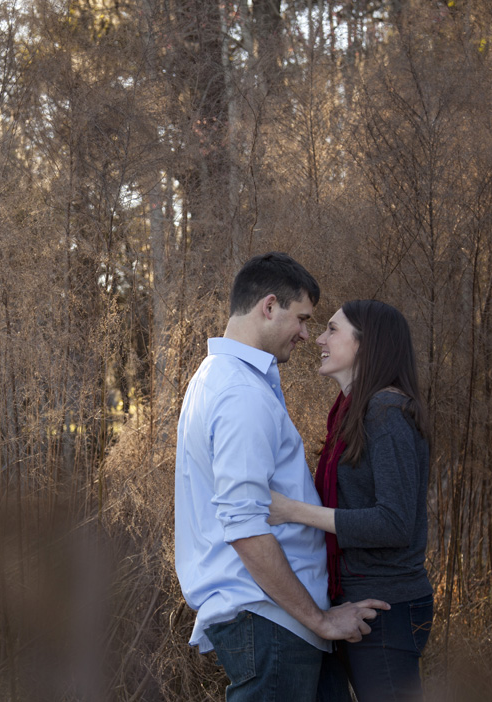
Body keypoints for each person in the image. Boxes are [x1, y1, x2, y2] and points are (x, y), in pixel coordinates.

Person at [175, 254, 389, 702]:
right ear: (269, 307)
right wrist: (322, 620)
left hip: (280, 621)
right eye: (303, 319)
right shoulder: (240, 394)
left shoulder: (218, 379)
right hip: (271, 620)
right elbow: (246, 527)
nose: (308, 334)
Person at [267, 299, 433, 701]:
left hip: (385, 606)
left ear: (366, 343)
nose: (319, 338)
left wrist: (292, 512)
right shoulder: (352, 411)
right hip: (356, 599)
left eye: (332, 330)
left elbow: (394, 523)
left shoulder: (386, 411)